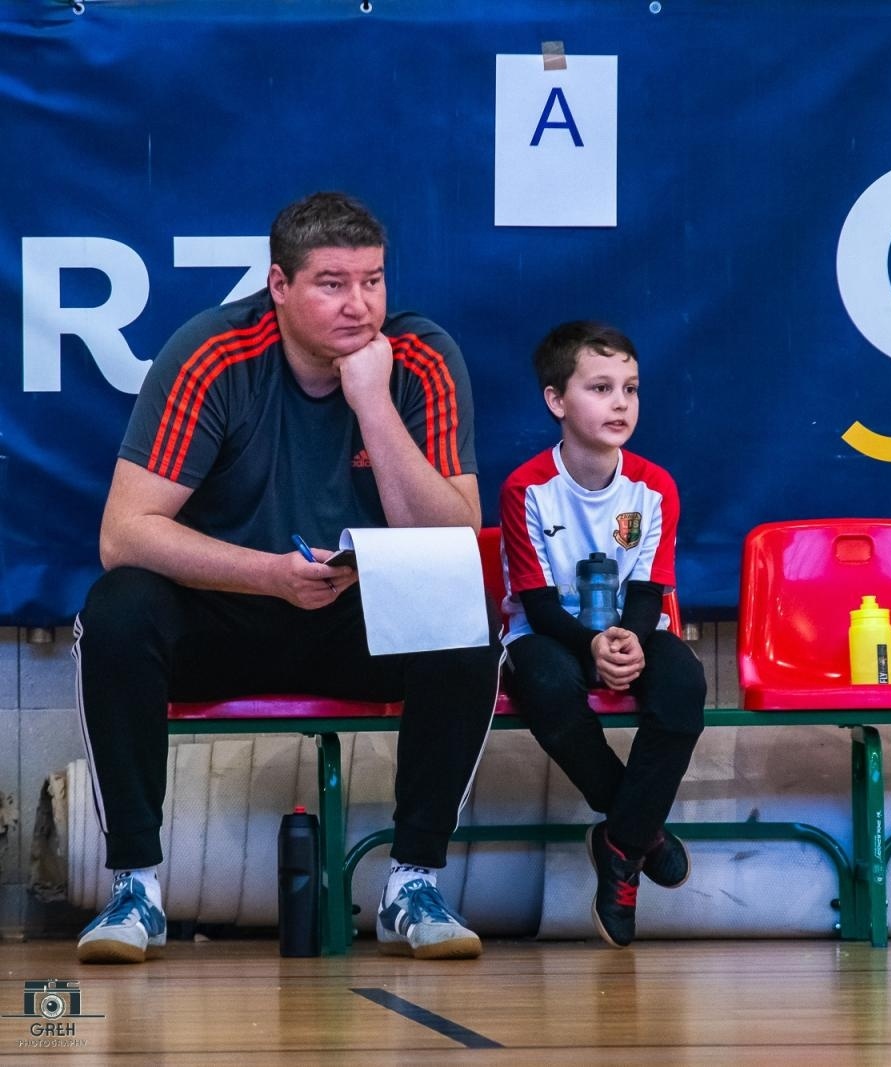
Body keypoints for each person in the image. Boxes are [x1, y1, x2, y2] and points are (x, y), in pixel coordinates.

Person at [72, 192, 499, 963]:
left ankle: (414, 882)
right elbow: (123, 533)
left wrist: (372, 402)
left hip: (355, 619)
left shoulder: (421, 355)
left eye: (372, 281)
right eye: (332, 283)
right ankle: (135, 886)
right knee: (117, 608)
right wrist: (266, 575)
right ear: (279, 287)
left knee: (464, 613)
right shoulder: (213, 352)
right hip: (231, 612)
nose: (359, 305)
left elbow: (455, 537)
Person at [499, 321, 706, 948]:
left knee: (683, 686)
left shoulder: (654, 485)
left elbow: (647, 591)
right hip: (551, 635)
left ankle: (617, 845)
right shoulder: (526, 487)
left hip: (632, 631)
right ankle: (642, 830)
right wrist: (589, 644)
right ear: (556, 401)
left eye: (631, 389)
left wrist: (632, 641)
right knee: (546, 684)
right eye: (601, 387)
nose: (621, 403)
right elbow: (535, 602)